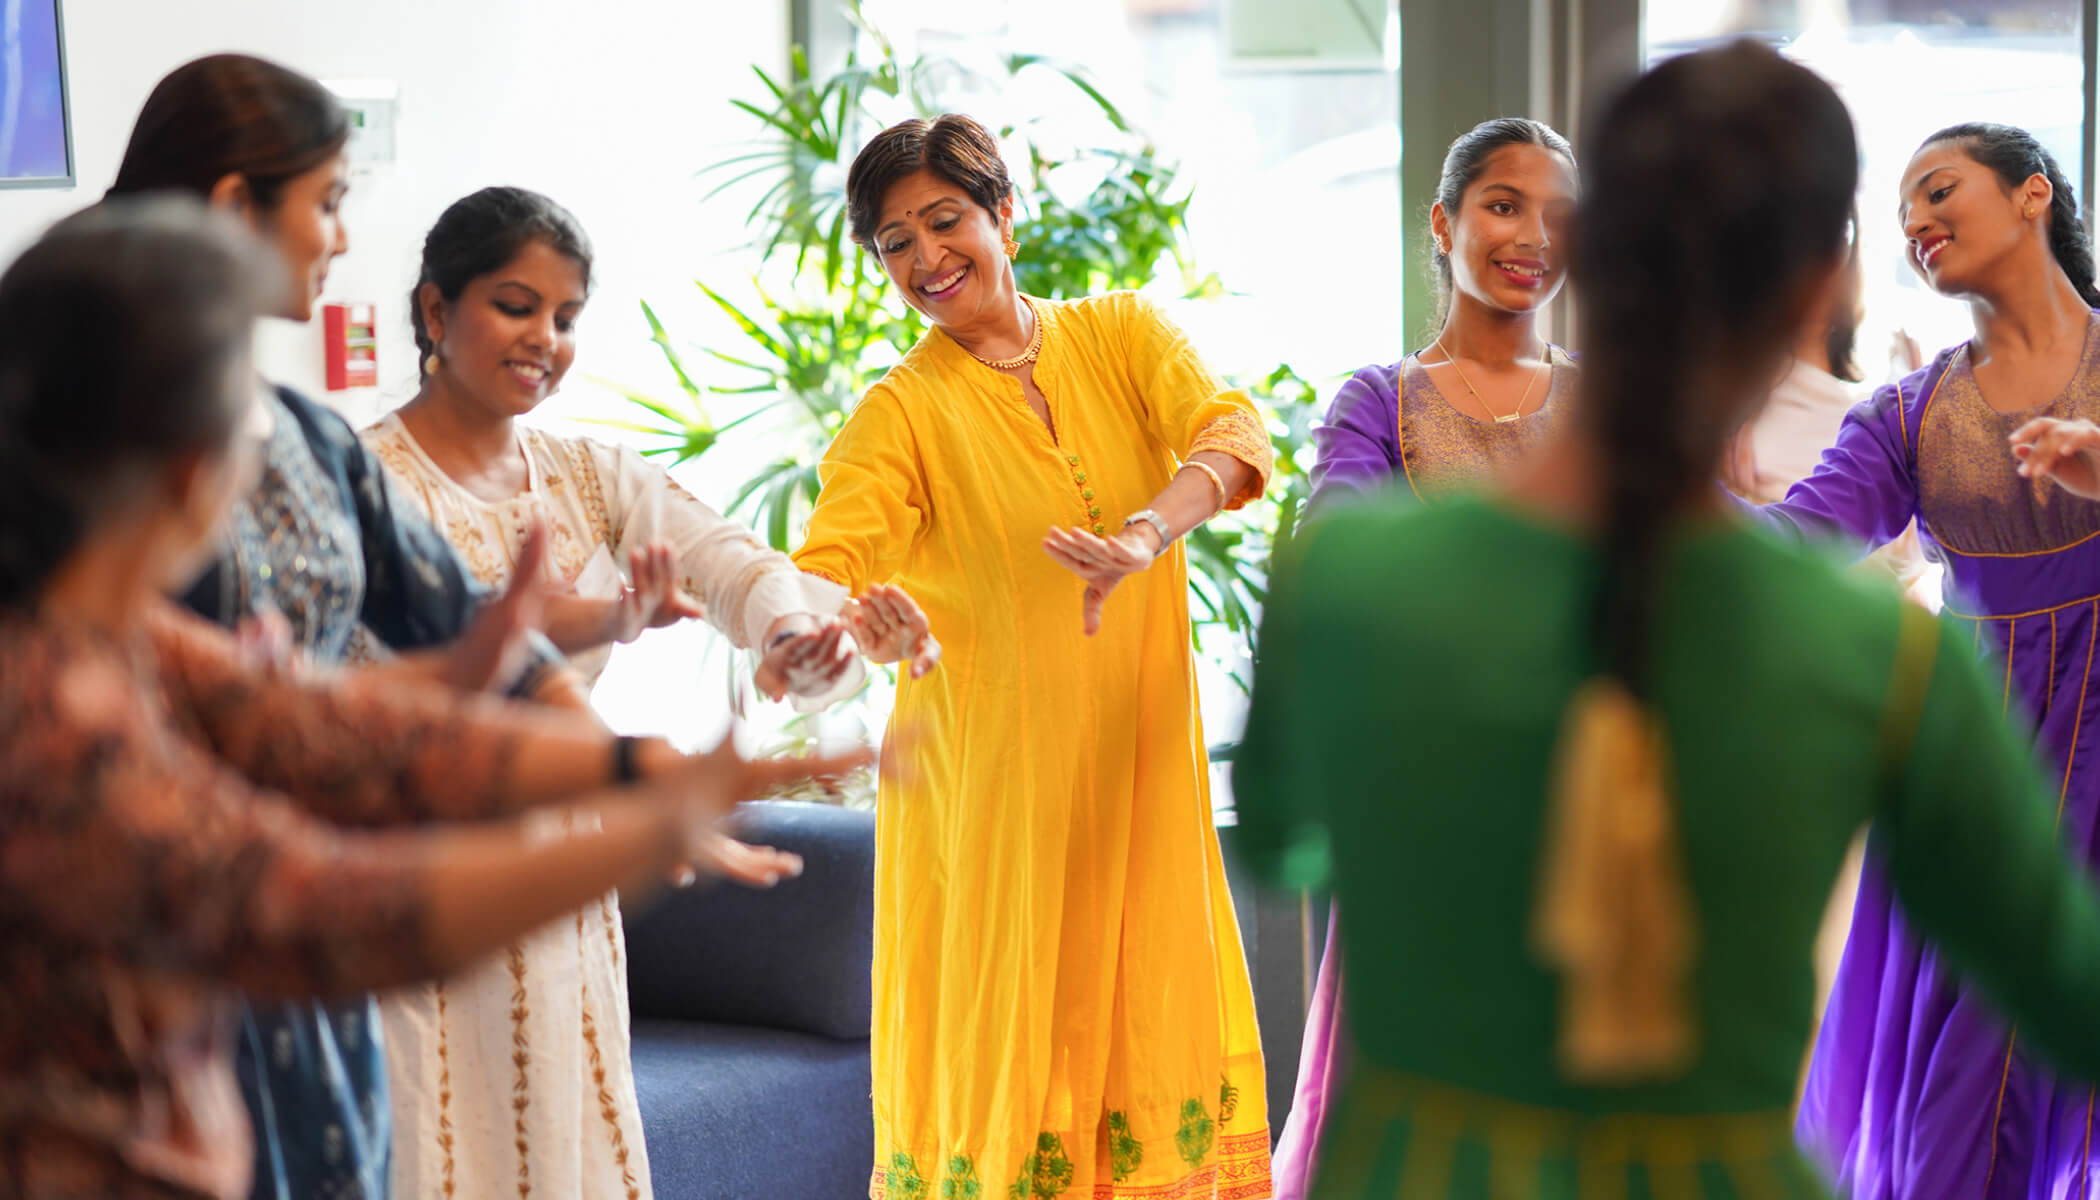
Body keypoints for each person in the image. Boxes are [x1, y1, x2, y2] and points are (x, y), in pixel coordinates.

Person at [1232, 42, 2100, 1198]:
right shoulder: (1881, 657)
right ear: (1811, 295)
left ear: (1580, 256)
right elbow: (2064, 991)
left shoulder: (1346, 587)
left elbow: (1290, 836)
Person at [0, 195, 861, 1200]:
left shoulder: (116, 639)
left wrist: (633, 767)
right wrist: (633, 835)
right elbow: (311, 903)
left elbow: (331, 728)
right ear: (188, 457)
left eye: (565, 316)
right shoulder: (51, 712)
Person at [789, 112, 1275, 1199]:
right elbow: (828, 565)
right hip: (997, 813)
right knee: (1018, 1067)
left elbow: (1235, 436)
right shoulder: (898, 412)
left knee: (1151, 1043)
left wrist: (1146, 535)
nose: (925, 260)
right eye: (895, 243)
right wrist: (854, 623)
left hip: (1137, 785)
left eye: (945, 221)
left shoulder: (1120, 333)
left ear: (1006, 214)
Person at [360, 184, 867, 1200]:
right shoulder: (365, 482)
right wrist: (588, 627)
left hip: (567, 891)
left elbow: (726, 561)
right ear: (432, 312)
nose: (544, 337)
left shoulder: (589, 477)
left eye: (566, 317)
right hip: (430, 881)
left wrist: (789, 633)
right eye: (515, 305)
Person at [1747, 122, 2100, 1198]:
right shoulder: (1911, 413)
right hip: (1984, 766)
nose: (1916, 224)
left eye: (1940, 191)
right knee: (1972, 1070)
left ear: (2034, 195)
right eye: (1903, 217)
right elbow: (1794, 537)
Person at [1277, 114, 1576, 1200]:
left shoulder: (1612, 408)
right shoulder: (1381, 401)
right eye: (1504, 204)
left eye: (1557, 214)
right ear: (1444, 224)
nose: (1531, 234)